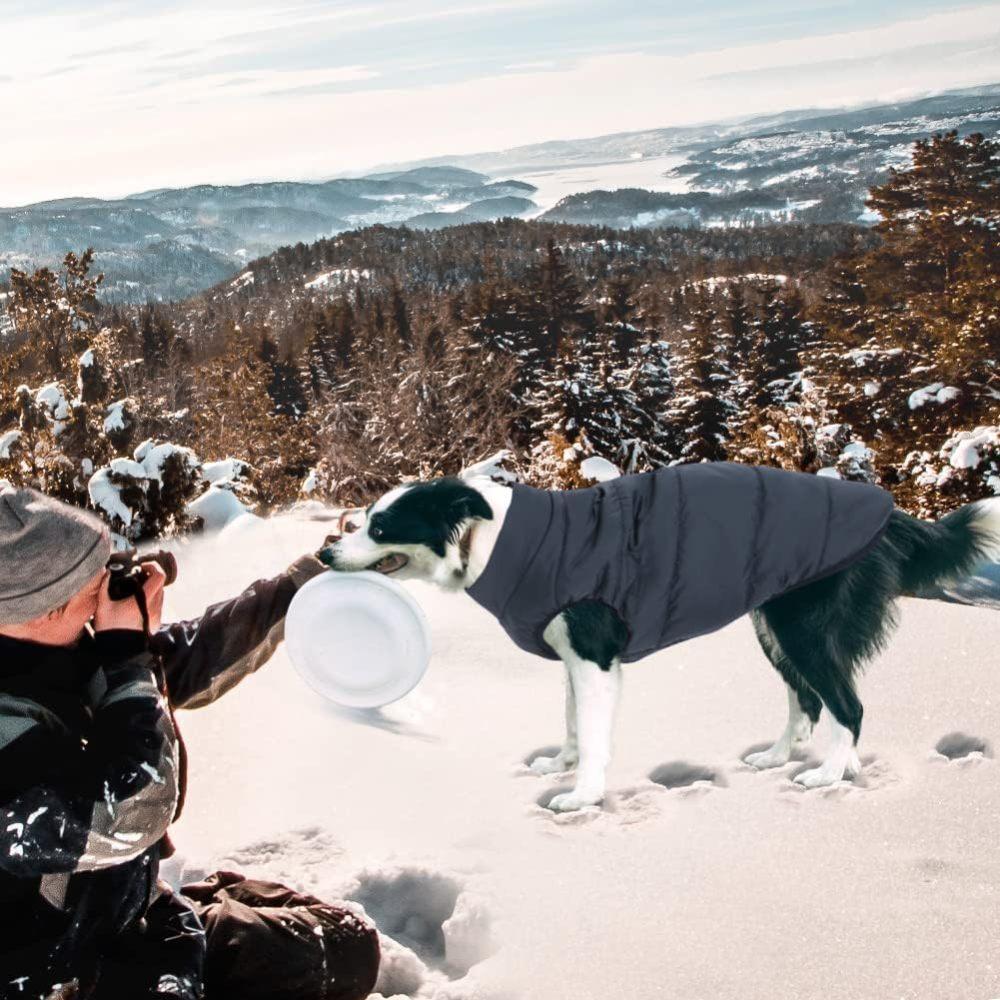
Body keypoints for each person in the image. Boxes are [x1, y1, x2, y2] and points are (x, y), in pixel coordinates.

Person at [0, 486, 380, 1000]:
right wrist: (127, 656)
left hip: (124, 918)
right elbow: (132, 810)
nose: (112, 590)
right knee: (333, 957)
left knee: (341, 938)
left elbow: (193, 651)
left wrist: (312, 579)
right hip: (61, 976)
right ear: (45, 607)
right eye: (97, 580)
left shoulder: (54, 646)